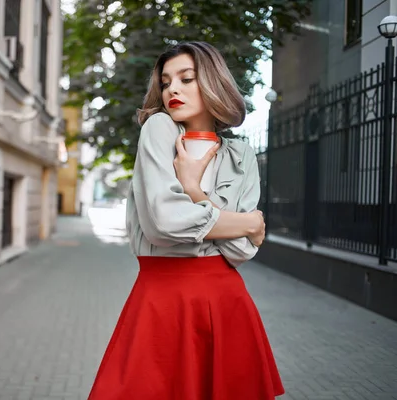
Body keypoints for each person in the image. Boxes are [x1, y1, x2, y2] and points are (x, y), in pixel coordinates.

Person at [87, 42, 284, 400]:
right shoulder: (159, 129)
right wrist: (246, 223)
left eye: (186, 78)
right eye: (165, 82)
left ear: (212, 83)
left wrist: (194, 191)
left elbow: (240, 251)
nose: (172, 89)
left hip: (227, 301)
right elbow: (164, 223)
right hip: (162, 298)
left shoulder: (241, 154)